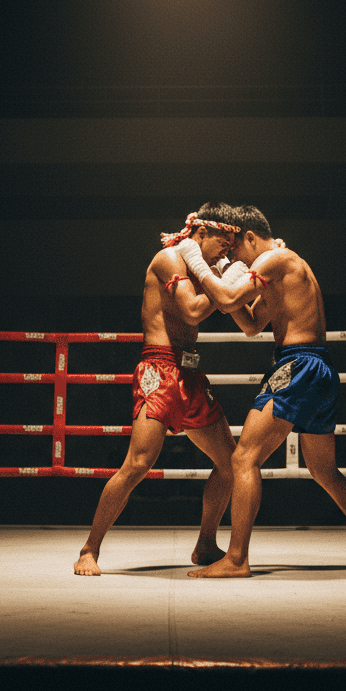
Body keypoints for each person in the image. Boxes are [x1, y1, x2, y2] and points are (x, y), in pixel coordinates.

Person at [174, 204, 346, 576]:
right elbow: (250, 324)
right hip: (319, 368)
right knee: (324, 471)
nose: (234, 258)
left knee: (243, 458)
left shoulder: (275, 259)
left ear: (250, 237)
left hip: (299, 365)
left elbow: (226, 299)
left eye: (234, 249)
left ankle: (237, 559)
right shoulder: (281, 268)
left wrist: (199, 265)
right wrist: (223, 278)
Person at [73, 205, 241, 576]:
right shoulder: (169, 259)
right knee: (138, 464)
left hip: (191, 374)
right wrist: (224, 279)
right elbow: (193, 310)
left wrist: (228, 278)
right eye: (223, 241)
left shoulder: (202, 268)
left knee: (231, 463)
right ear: (200, 232)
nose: (227, 250)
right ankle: (89, 549)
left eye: (232, 245)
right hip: (159, 369)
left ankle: (206, 542)